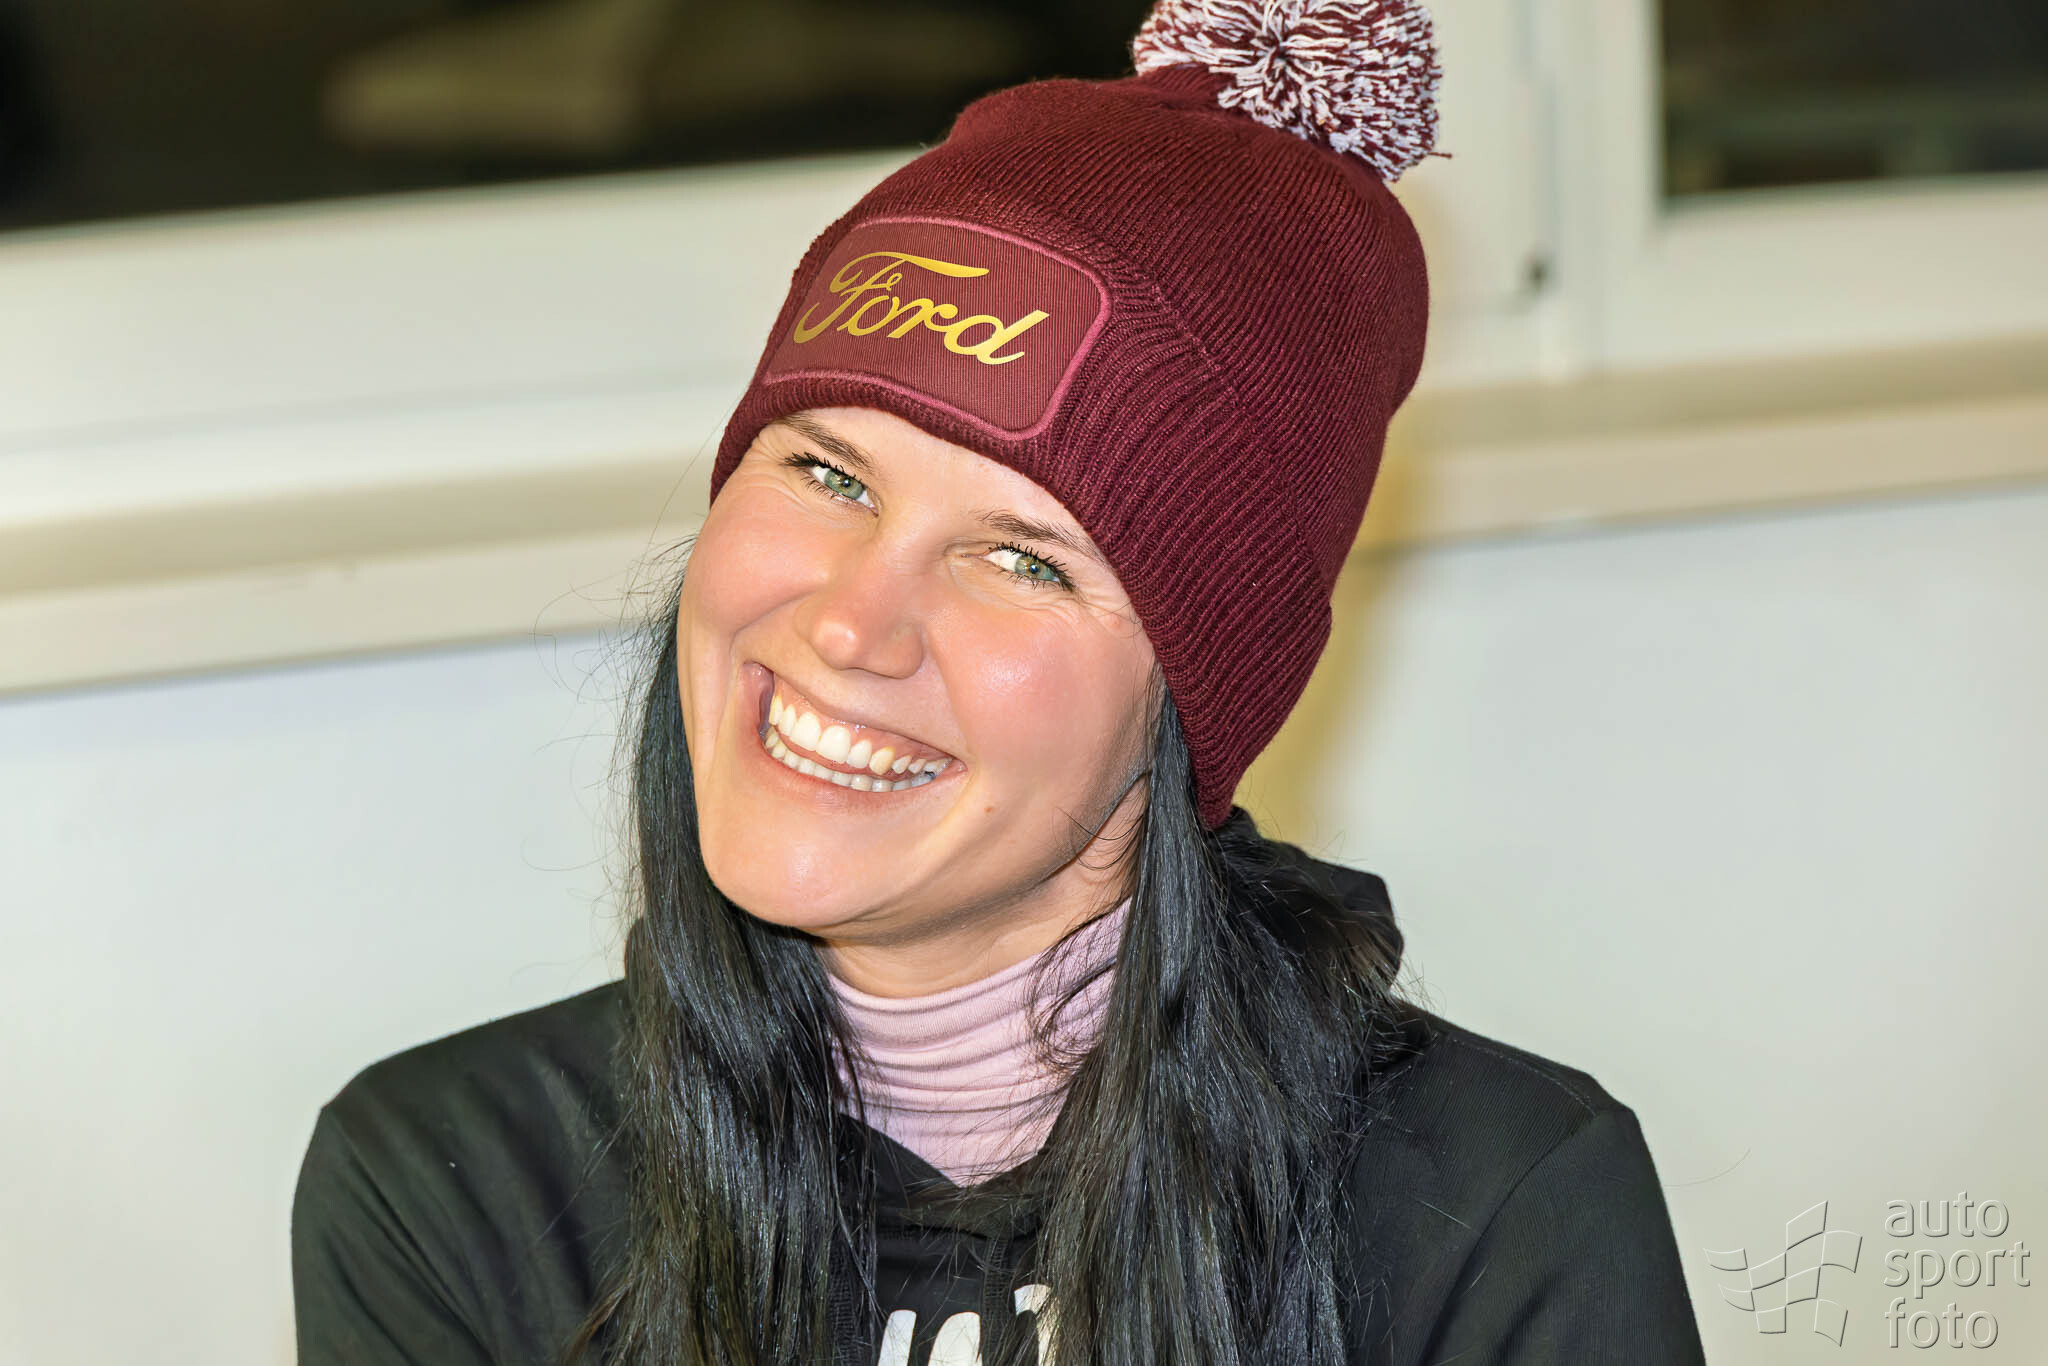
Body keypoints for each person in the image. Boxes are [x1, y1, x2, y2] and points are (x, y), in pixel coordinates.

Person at [290, 2, 1710, 1363]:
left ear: (1193, 699)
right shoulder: (455, 1190)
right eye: (828, 473)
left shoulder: (1493, 1217)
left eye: (1023, 558)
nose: (852, 624)